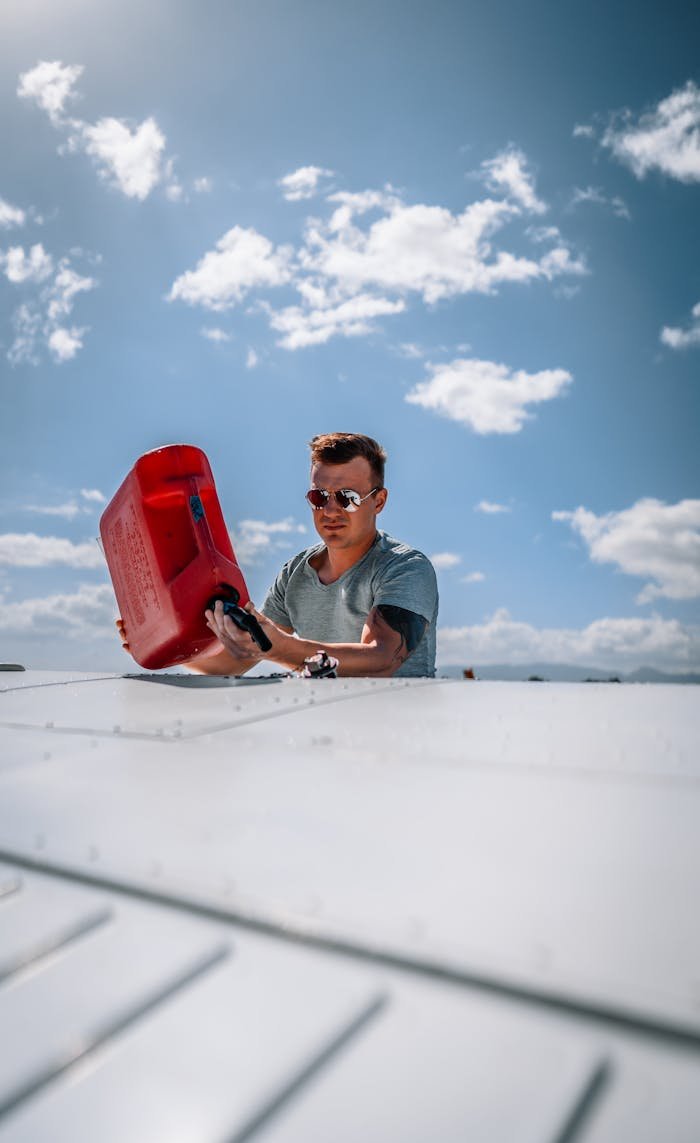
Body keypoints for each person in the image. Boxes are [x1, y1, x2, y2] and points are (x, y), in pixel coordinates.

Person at [120, 433, 438, 677]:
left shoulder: (405, 567)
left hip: (400, 741)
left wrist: (278, 647)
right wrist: (164, 644)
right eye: (318, 496)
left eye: (347, 497)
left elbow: (382, 659)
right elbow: (241, 657)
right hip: (326, 738)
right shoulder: (295, 573)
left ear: (379, 501)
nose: (330, 510)